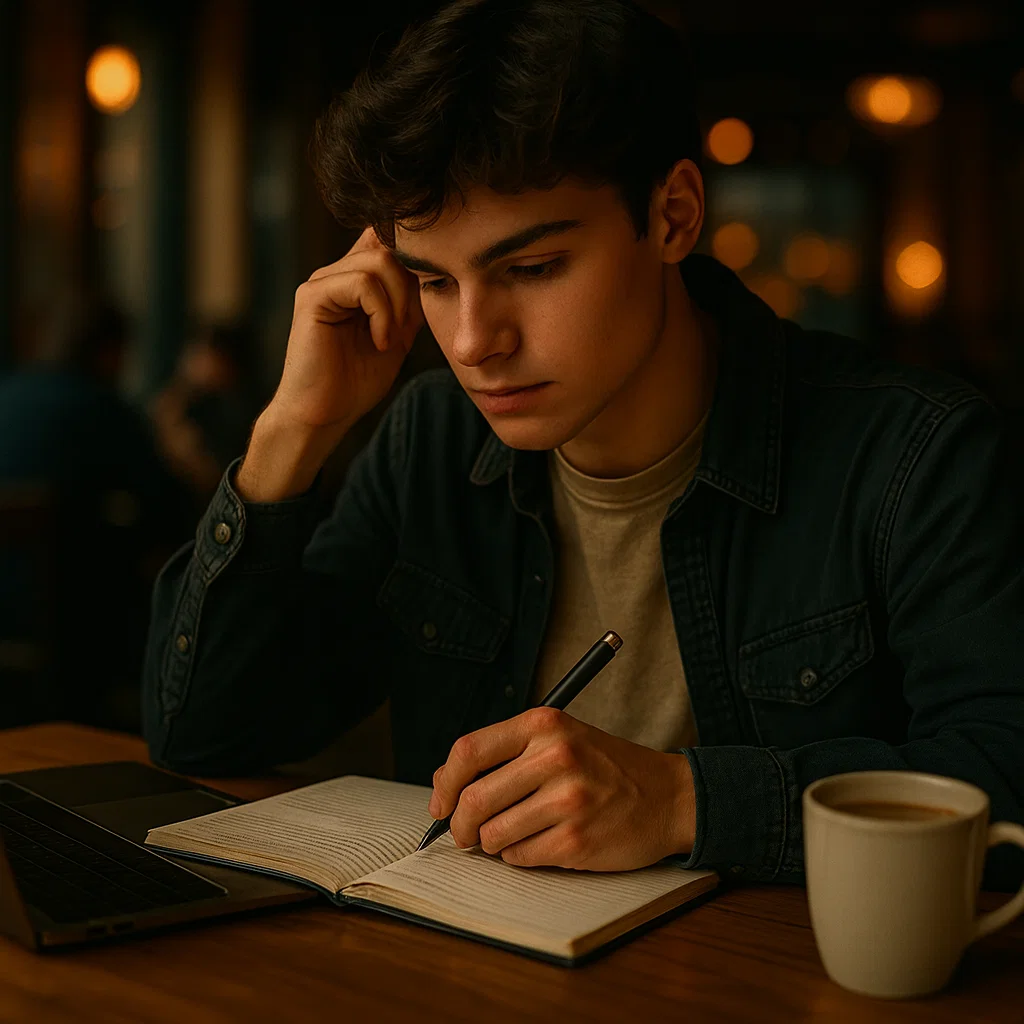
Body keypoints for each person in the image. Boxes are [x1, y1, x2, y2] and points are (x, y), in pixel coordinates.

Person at [141, 0, 1024, 891]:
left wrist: (680, 801)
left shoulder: (916, 454)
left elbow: (1006, 771)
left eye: (531, 269)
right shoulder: (432, 439)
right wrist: (291, 429)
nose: (473, 341)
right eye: (433, 282)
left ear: (673, 215)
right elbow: (204, 738)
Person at [0, 296, 191, 729]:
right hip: (65, 634)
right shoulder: (102, 407)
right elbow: (168, 510)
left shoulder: (6, 394)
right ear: (109, 351)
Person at [149, 322, 264, 505]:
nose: (194, 359)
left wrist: (185, 453)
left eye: (203, 351)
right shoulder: (197, 399)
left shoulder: (239, 411)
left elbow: (216, 480)